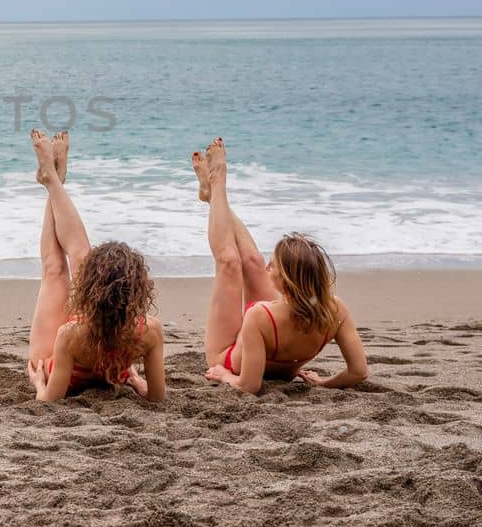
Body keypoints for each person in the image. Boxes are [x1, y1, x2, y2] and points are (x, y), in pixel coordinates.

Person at [196, 138, 370, 394]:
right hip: (269, 342)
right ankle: (213, 197)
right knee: (252, 262)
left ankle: (217, 181)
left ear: (287, 281)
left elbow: (249, 385)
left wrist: (224, 376)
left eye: (274, 266)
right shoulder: (336, 309)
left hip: (230, 357)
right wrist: (324, 383)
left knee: (229, 263)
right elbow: (358, 371)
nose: (269, 268)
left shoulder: (259, 316)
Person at [26, 129, 165, 402]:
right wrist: (136, 382)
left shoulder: (69, 334)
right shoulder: (150, 330)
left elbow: (48, 400)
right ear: (138, 291)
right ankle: (54, 181)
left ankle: (53, 180)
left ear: (91, 290)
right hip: (101, 344)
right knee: (79, 257)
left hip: (65, 359)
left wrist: (38, 383)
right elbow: (157, 398)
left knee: (55, 270)